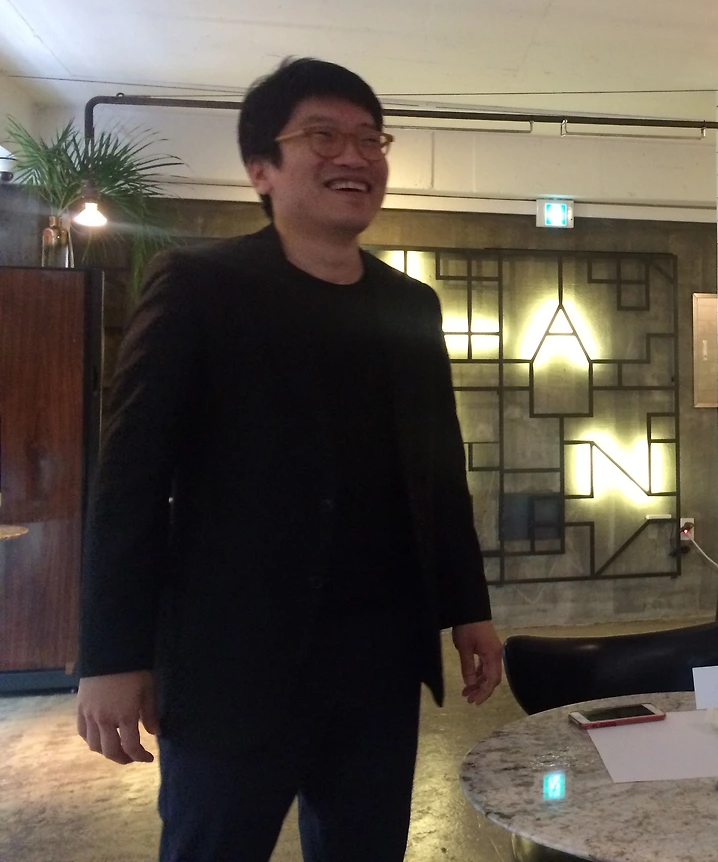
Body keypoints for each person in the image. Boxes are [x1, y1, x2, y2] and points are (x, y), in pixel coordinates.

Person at [74, 58, 503, 862]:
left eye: (371, 139)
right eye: (324, 137)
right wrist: (111, 656)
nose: (355, 156)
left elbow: (438, 473)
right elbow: (129, 480)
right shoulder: (200, 286)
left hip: (378, 659)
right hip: (232, 659)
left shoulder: (411, 305)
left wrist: (468, 608)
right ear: (260, 169)